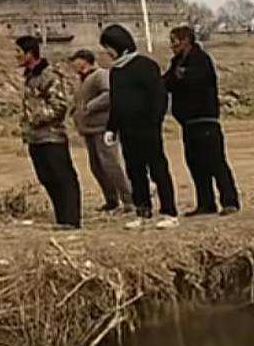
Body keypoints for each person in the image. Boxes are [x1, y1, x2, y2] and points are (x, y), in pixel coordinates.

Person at [101, 24, 179, 230]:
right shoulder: (115, 72)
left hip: (148, 128)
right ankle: (142, 210)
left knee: (158, 170)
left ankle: (169, 211)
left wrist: (154, 122)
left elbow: (159, 96)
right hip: (127, 131)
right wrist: (111, 128)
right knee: (135, 172)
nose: (107, 52)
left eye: (108, 47)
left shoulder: (145, 65)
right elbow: (116, 102)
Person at [165, 25, 241, 217]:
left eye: (174, 42)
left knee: (215, 162)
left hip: (205, 120)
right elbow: (167, 82)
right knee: (195, 164)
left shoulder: (201, 60)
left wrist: (181, 77)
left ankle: (229, 201)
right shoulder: (176, 63)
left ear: (186, 41)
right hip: (187, 122)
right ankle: (206, 203)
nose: (172, 46)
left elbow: (196, 82)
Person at [17, 36, 82, 229]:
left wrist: (35, 118)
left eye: (18, 52)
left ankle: (71, 219)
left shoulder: (49, 76)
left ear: (30, 53)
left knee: (62, 178)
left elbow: (59, 106)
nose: (16, 56)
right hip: (36, 138)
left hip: (52, 137)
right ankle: (62, 218)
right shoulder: (30, 77)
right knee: (47, 178)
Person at [69, 49, 134, 213]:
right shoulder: (82, 80)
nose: (73, 64)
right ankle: (111, 200)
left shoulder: (101, 75)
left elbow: (109, 94)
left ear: (84, 60)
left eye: (75, 60)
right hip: (89, 129)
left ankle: (129, 200)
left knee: (110, 164)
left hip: (103, 127)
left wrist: (90, 106)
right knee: (96, 167)